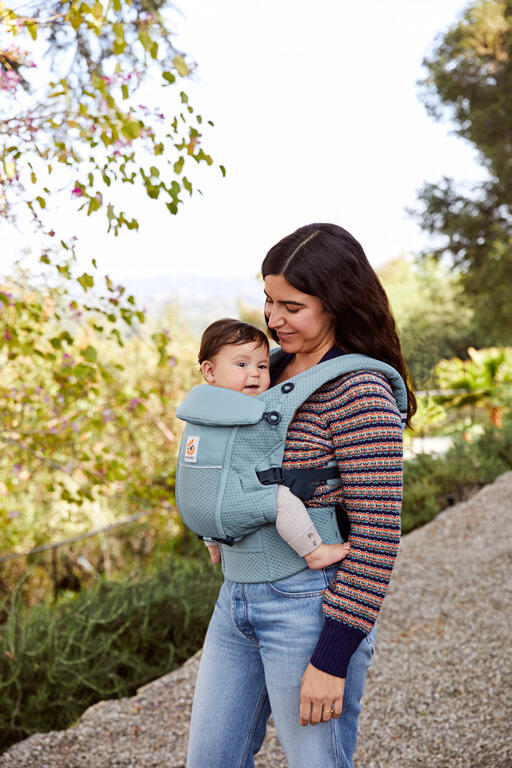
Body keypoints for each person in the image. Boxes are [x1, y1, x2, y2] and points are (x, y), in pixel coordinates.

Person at [186, 223, 416, 768]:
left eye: (291, 306)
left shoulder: (359, 390)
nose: (272, 319)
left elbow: (378, 535)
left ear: (336, 303)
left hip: (309, 609)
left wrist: (332, 658)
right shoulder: (264, 370)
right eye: (268, 300)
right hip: (235, 599)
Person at [197, 316, 351, 569]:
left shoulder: (201, 407)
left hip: (211, 496)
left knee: (203, 496)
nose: (254, 374)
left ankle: (214, 547)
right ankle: (314, 552)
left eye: (262, 366)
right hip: (234, 490)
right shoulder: (243, 408)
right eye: (241, 364)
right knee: (281, 498)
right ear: (210, 371)